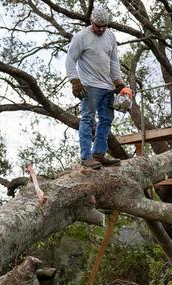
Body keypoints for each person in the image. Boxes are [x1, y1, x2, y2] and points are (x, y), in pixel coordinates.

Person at [65, 5, 127, 168]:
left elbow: (114, 61)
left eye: (103, 26)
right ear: (91, 21)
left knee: (106, 119)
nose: (100, 29)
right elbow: (70, 59)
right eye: (97, 26)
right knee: (87, 118)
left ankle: (99, 155)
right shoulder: (81, 37)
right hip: (89, 86)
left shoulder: (111, 36)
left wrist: (118, 82)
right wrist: (75, 81)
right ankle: (86, 157)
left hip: (108, 86)